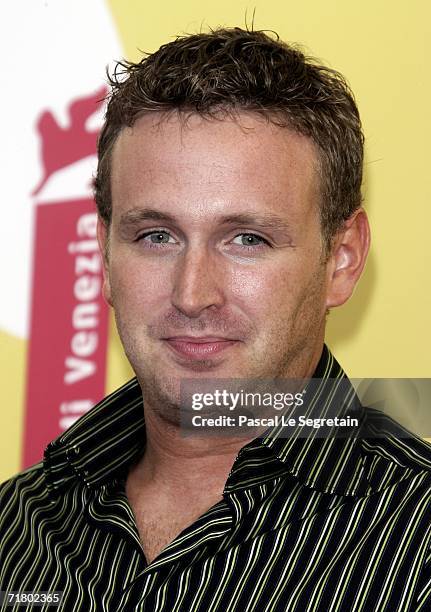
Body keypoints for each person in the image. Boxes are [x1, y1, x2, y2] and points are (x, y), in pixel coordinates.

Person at [1, 27, 431, 611]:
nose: (192, 294)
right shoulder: (19, 520)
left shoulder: (418, 534)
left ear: (341, 259)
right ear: (104, 254)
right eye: (155, 236)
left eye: (247, 239)